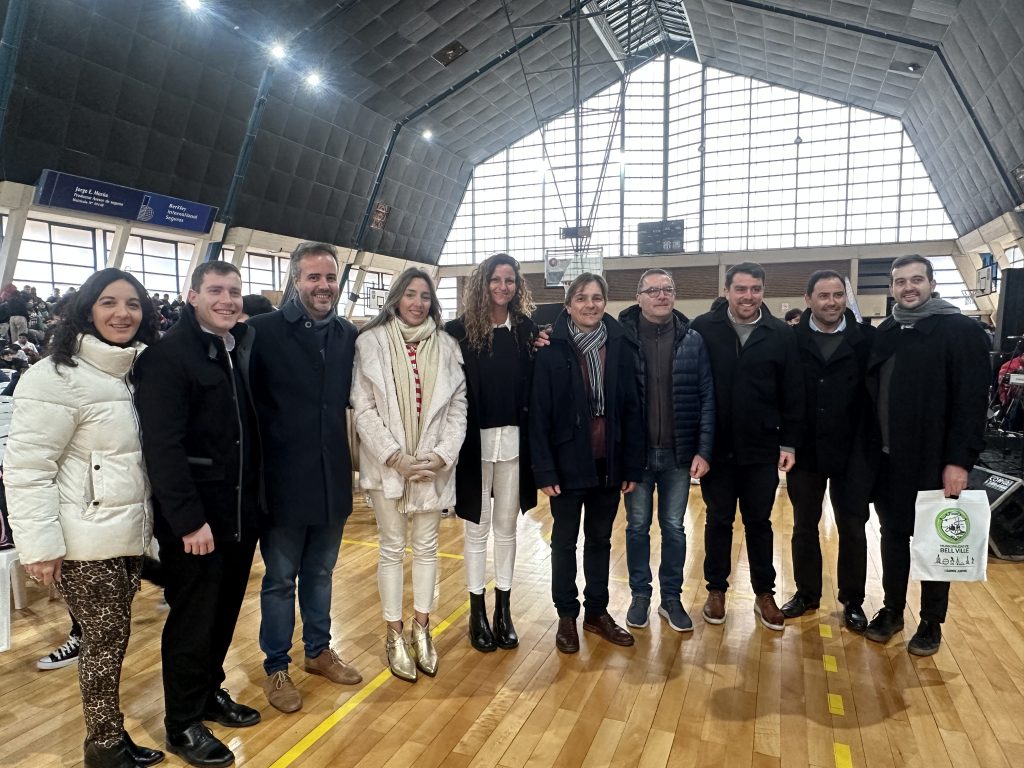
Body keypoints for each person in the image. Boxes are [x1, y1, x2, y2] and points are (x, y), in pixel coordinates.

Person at [5, 268, 164, 768]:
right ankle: (104, 745)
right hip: (82, 539)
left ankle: (110, 737)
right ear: (87, 308)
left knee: (111, 640)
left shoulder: (133, 371)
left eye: (133, 304)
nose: (123, 313)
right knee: (103, 643)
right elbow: (29, 469)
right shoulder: (54, 375)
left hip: (125, 534)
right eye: (110, 302)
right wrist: (41, 547)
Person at [134, 261, 262, 768]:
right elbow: (163, 448)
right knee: (192, 621)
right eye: (216, 290)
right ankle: (182, 722)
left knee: (224, 613)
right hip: (197, 524)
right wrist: (188, 521)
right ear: (192, 296)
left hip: (237, 515)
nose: (228, 299)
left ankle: (209, 693)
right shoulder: (168, 357)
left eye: (234, 291)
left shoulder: (235, 349)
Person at [247, 243, 362, 714]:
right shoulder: (260, 332)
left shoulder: (348, 335)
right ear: (295, 280)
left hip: (331, 477)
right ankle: (277, 666)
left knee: (321, 573)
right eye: (313, 277)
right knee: (279, 580)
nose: (322, 286)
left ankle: (317, 652)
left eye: (329, 277)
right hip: (281, 481)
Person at [863, 255, 989, 655]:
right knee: (893, 537)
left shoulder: (959, 330)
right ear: (891, 288)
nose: (908, 287)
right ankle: (892, 609)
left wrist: (959, 461)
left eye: (916, 280)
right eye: (900, 281)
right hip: (889, 460)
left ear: (932, 283)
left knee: (935, 543)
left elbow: (972, 402)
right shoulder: (887, 331)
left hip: (935, 462)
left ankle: (932, 621)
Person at [353, 268, 467, 682]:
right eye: (410, 294)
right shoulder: (369, 343)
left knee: (427, 547)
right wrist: (394, 457)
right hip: (390, 468)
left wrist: (440, 455)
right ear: (397, 298)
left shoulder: (448, 346)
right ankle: (393, 633)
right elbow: (363, 409)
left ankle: (422, 629)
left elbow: (458, 407)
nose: (417, 303)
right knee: (391, 547)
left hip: (432, 467)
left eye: (424, 296)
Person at [531, 273, 644, 654]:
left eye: (597, 297)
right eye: (582, 298)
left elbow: (631, 409)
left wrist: (630, 466)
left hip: (608, 462)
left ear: (605, 302)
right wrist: (544, 470)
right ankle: (566, 615)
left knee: (600, 540)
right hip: (565, 465)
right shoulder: (549, 349)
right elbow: (540, 415)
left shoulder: (621, 345)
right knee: (564, 542)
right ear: (568, 305)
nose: (590, 304)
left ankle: (596, 613)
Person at [689, 262, 804, 631]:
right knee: (718, 520)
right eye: (741, 289)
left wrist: (788, 441)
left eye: (755, 289)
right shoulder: (703, 329)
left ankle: (764, 593)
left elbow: (792, 393)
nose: (748, 296)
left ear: (763, 292)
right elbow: (690, 387)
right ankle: (716, 589)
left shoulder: (780, 335)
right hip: (716, 448)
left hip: (761, 448)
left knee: (759, 522)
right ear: (727, 291)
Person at [445, 253, 538, 653]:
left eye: (510, 281)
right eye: (496, 280)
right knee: (476, 529)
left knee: (507, 529)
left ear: (517, 286)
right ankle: (476, 611)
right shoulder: (458, 331)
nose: (503, 287)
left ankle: (504, 609)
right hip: (474, 446)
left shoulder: (527, 331)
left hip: (515, 443)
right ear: (482, 284)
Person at [618, 269, 714, 633]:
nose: (661, 296)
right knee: (637, 527)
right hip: (637, 457)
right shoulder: (622, 338)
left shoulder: (692, 339)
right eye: (653, 290)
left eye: (668, 290)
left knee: (674, 527)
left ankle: (670, 598)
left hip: (678, 455)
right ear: (638, 297)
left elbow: (706, 397)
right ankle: (640, 594)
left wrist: (703, 449)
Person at [780, 270, 874, 632]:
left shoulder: (867, 338)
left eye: (837, 295)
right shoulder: (790, 340)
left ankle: (853, 600)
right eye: (823, 295)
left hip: (854, 451)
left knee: (853, 527)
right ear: (808, 300)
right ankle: (806, 593)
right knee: (804, 526)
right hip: (805, 451)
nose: (831, 302)